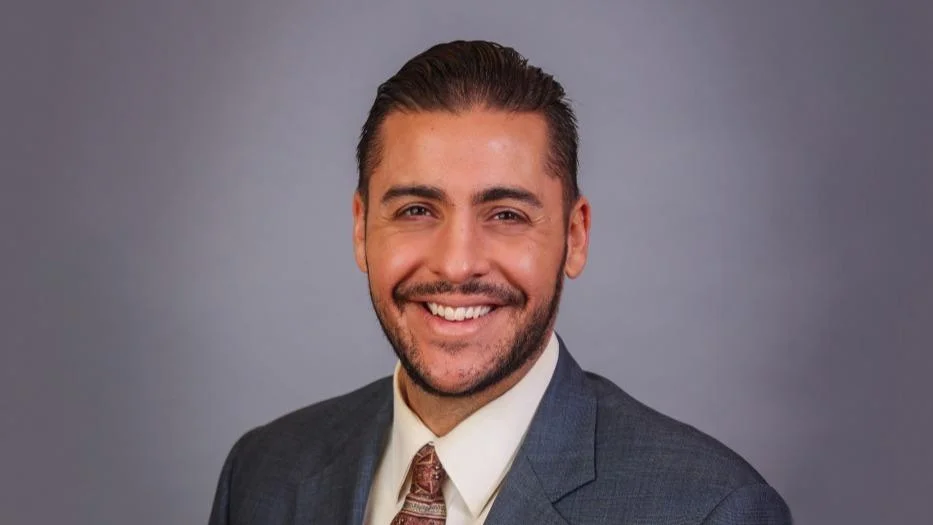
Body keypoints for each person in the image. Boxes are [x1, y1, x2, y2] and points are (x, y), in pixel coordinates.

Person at [208, 40, 791, 525]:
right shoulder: (262, 476)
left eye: (506, 215)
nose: (457, 265)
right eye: (416, 210)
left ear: (575, 237)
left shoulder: (710, 510)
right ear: (361, 230)